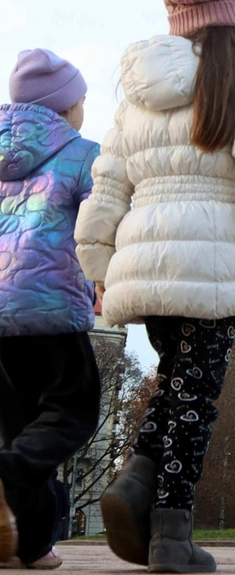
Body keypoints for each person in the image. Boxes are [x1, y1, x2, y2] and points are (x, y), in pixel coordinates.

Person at [82, 0, 235, 574]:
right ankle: (171, 533)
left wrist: (97, 265)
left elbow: (107, 192)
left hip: (146, 264)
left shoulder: (134, 100)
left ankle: (134, 484)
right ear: (230, 23)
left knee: (177, 381)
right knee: (195, 397)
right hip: (212, 265)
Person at [0, 49, 102, 570]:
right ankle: (8, 474)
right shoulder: (85, 155)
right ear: (65, 108)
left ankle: (32, 547)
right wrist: (104, 279)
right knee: (73, 411)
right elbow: (103, 224)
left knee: (21, 431)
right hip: (52, 307)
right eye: (81, 99)